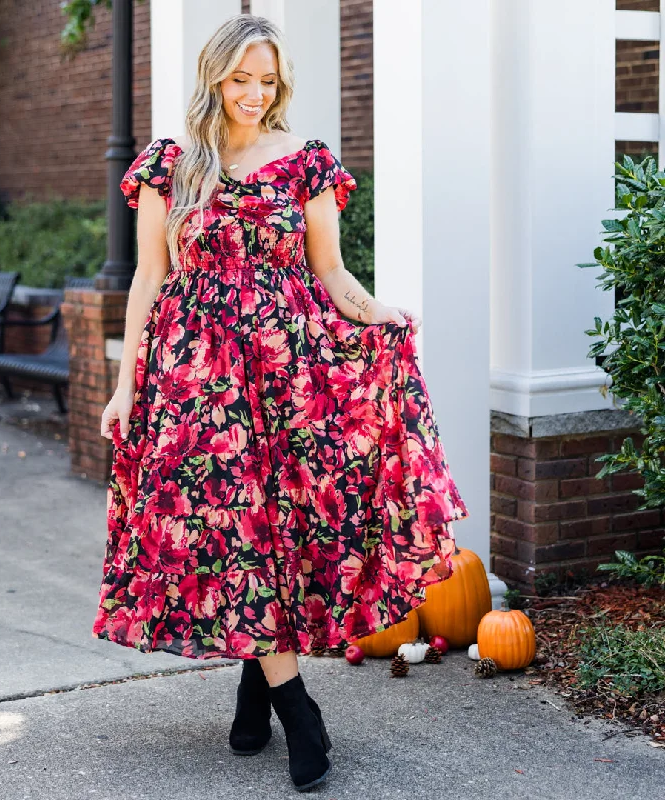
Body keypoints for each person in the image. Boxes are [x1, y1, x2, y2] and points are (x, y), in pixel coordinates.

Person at [93, 13, 468, 793]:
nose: (255, 95)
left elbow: (331, 272)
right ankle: (297, 707)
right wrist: (128, 382)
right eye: (241, 79)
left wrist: (377, 314)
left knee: (282, 528)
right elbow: (147, 278)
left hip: (291, 373)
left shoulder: (306, 163)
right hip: (199, 378)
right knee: (233, 528)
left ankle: (257, 687)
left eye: (267, 81)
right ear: (214, 77)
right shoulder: (172, 166)